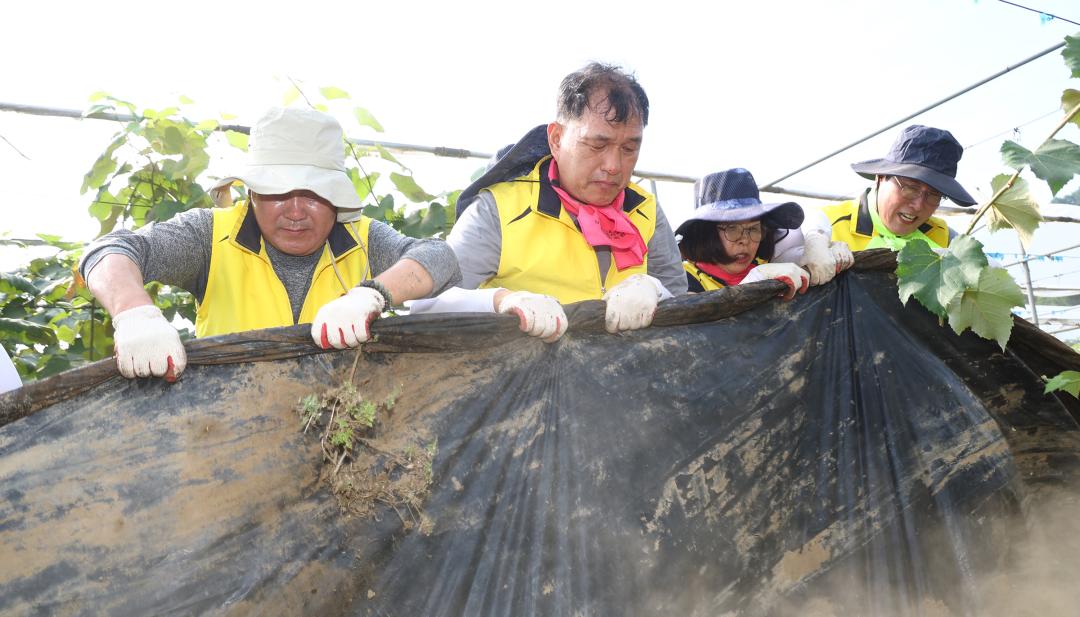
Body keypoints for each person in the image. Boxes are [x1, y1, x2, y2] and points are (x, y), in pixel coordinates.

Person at [80, 107, 461, 381]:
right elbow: (109, 251)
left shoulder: (361, 239)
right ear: (252, 192)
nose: (296, 211)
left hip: (337, 433)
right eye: (278, 193)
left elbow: (439, 257)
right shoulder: (210, 237)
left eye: (314, 195)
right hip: (227, 437)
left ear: (337, 197)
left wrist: (373, 294)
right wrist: (134, 313)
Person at [410, 63, 687, 341]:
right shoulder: (499, 210)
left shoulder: (646, 210)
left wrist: (654, 288)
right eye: (596, 145)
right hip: (519, 377)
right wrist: (502, 301)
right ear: (556, 139)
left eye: (629, 149)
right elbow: (426, 307)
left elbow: (680, 303)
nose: (613, 166)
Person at [804, 124, 977, 255]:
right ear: (881, 178)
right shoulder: (827, 226)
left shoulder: (945, 238)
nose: (918, 205)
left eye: (934, 195)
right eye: (910, 188)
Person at [677, 168, 840, 300]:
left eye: (754, 229)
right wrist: (754, 283)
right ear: (706, 234)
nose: (745, 240)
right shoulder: (682, 279)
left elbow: (814, 216)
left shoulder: (768, 266)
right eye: (732, 229)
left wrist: (819, 243)